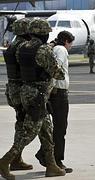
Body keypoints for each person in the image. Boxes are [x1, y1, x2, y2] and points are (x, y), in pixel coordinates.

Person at [0, 18, 66, 180]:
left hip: (24, 91)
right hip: (37, 94)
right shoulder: (42, 49)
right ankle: (6, 160)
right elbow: (58, 73)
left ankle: (51, 165)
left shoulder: (20, 47)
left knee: (46, 129)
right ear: (43, 34)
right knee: (30, 131)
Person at [35, 30, 75, 173]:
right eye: (71, 44)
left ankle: (46, 155)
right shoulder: (61, 50)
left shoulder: (55, 48)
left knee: (55, 128)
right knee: (60, 128)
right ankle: (55, 160)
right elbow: (55, 68)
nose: (71, 47)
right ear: (66, 41)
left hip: (55, 93)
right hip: (58, 94)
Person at [3, 18, 33, 171]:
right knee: (27, 126)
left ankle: (17, 159)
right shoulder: (22, 47)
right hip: (22, 89)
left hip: (13, 88)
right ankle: (11, 158)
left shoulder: (11, 46)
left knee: (20, 123)